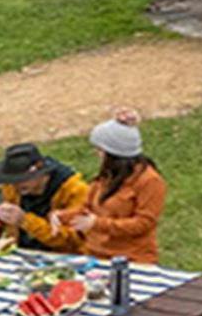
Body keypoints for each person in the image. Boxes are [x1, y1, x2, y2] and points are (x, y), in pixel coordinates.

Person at [64, 112, 167, 264]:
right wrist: (62, 217)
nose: (96, 154)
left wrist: (97, 224)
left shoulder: (150, 181)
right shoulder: (108, 176)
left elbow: (143, 224)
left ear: (115, 154)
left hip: (131, 259)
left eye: (100, 150)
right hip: (95, 256)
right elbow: (88, 209)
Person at [0, 141, 88, 252]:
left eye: (22, 179)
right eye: (12, 180)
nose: (16, 184)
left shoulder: (74, 191)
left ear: (42, 173)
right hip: (22, 257)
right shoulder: (11, 188)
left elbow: (74, 241)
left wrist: (26, 221)